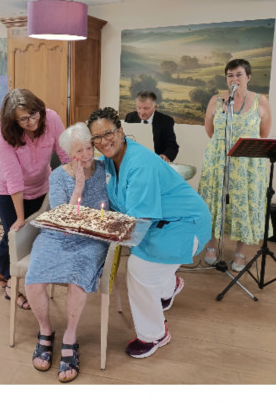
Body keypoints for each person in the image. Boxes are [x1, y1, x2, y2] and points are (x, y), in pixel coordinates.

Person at [87, 107, 211, 359]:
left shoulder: (139, 164)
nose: (103, 141)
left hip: (184, 223)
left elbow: (140, 221)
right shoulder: (110, 160)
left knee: (139, 269)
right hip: (161, 223)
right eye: (96, 138)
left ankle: (155, 334)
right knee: (146, 257)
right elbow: (93, 166)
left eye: (108, 133)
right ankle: (168, 284)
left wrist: (105, 237)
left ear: (121, 132)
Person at [25, 123, 110, 384]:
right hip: (57, 235)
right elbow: (63, 219)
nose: (86, 155)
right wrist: (78, 189)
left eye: (88, 148)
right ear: (67, 154)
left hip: (91, 238)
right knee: (34, 279)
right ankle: (46, 331)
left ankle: (70, 336)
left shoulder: (105, 170)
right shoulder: (58, 176)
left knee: (77, 279)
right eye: (78, 151)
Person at [0, 88, 68, 304]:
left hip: (40, 185)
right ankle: (11, 286)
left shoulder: (51, 118)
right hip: (7, 189)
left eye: (34, 115)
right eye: (24, 119)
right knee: (15, 233)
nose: (32, 122)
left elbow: (65, 154)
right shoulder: (3, 132)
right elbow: (14, 178)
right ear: (13, 120)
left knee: (33, 236)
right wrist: (21, 219)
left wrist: (73, 185)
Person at [197, 58, 272, 272]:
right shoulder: (216, 100)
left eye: (239, 74)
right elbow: (210, 131)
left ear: (248, 77)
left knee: (244, 206)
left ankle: (241, 252)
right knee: (214, 201)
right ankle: (211, 246)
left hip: (247, 166)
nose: (234, 79)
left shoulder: (261, 101)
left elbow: (263, 135)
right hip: (217, 162)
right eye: (230, 75)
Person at [124, 91, 179, 162]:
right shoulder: (130, 117)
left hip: (154, 163)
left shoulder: (166, 121)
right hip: (132, 161)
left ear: (155, 107)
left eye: (146, 108)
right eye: (139, 107)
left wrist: (165, 156)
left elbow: (172, 146)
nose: (142, 112)